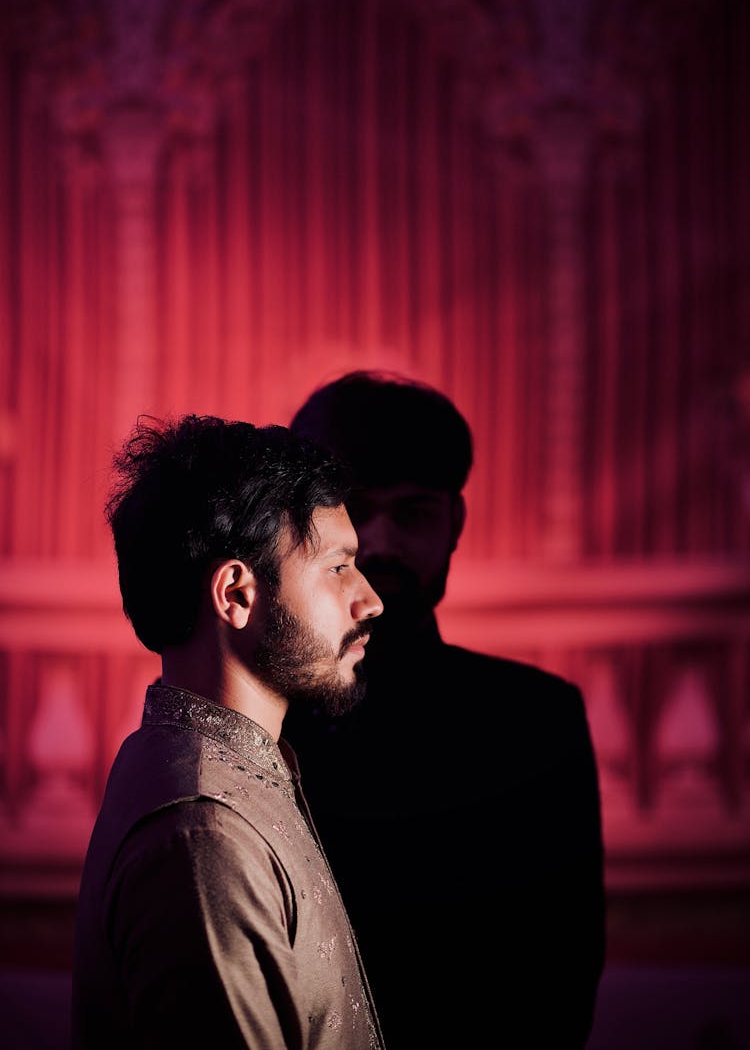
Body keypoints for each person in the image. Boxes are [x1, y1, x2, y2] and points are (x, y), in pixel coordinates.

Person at [284, 370, 606, 1049]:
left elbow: (560, 980)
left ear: (454, 523)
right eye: (352, 509)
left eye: (412, 512)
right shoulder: (257, 723)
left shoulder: (536, 723)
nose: (378, 542)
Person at [71, 413, 387, 1050]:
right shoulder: (202, 835)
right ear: (237, 595)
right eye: (336, 567)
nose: (369, 599)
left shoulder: (228, 771)